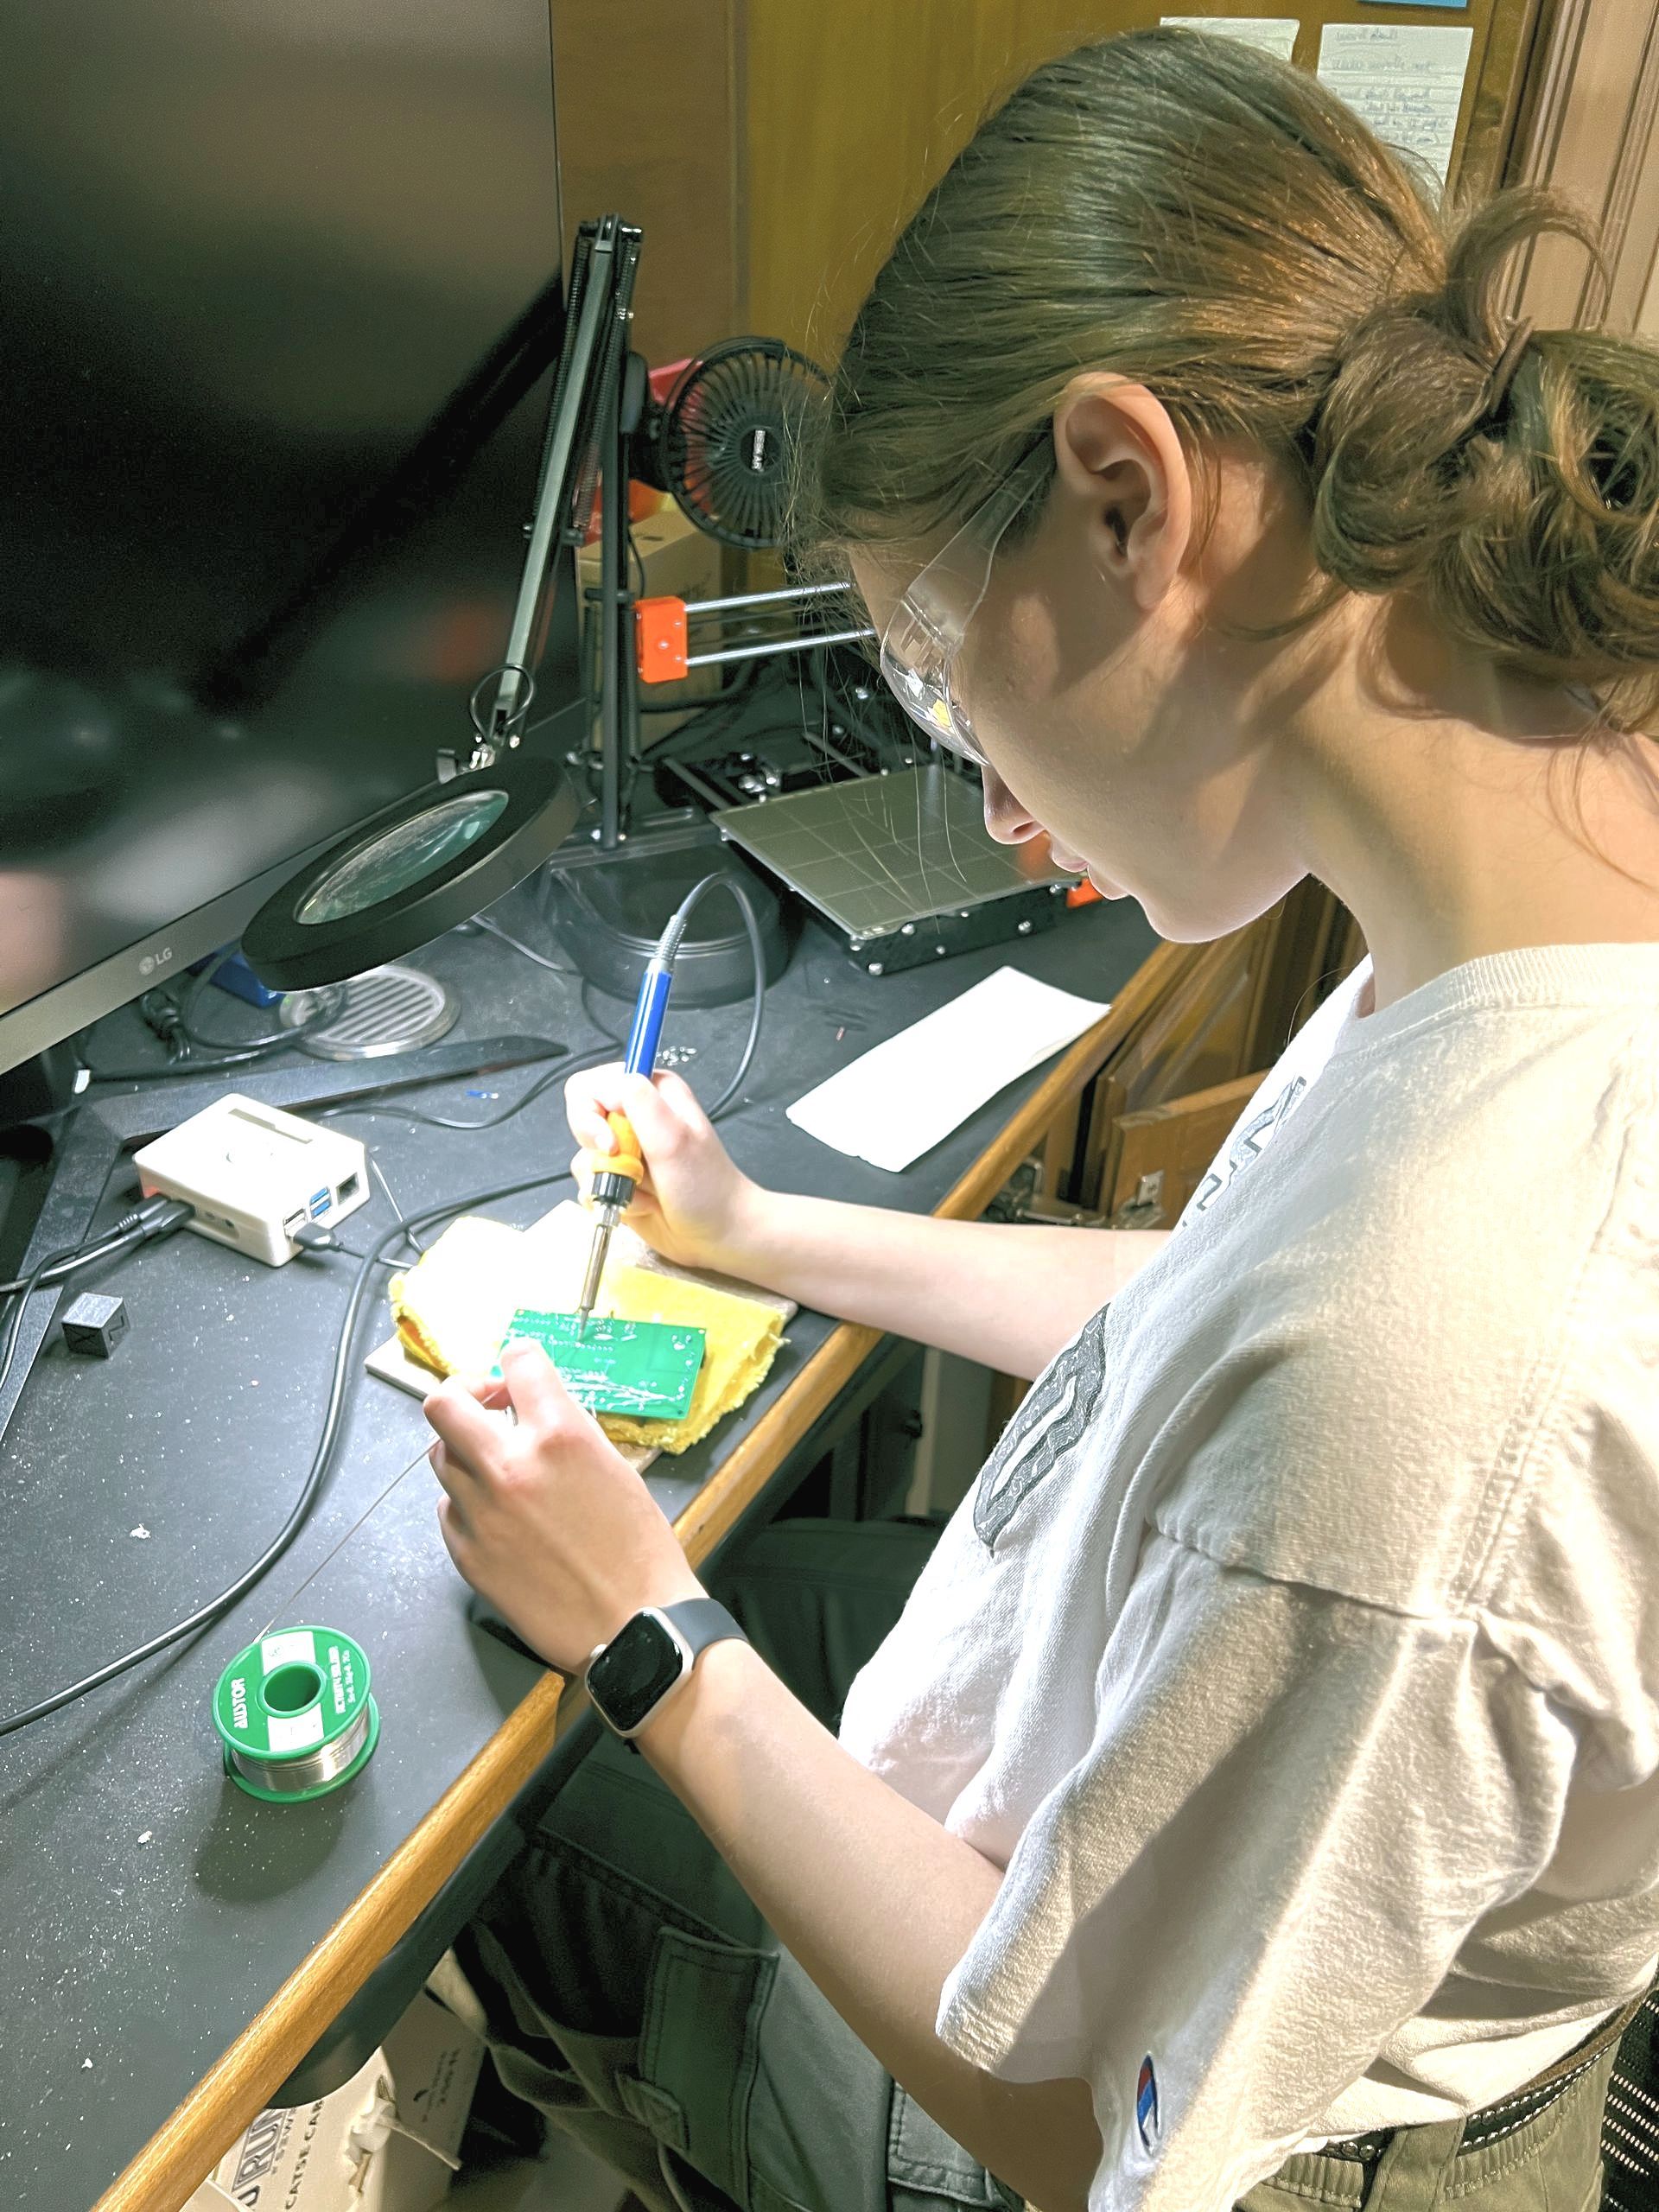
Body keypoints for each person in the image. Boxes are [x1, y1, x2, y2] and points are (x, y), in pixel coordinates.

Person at [420, 29, 1659, 2212]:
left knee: (477, 1817)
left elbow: (1074, 2110)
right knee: (727, 1581)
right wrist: (759, 1231)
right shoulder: (1537, 882)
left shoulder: (1452, 1343)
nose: (990, 792)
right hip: (1140, 1777)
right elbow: (1221, 1305)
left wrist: (648, 1632)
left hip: (1131, 2116)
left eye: (935, 659)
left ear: (1124, 494)